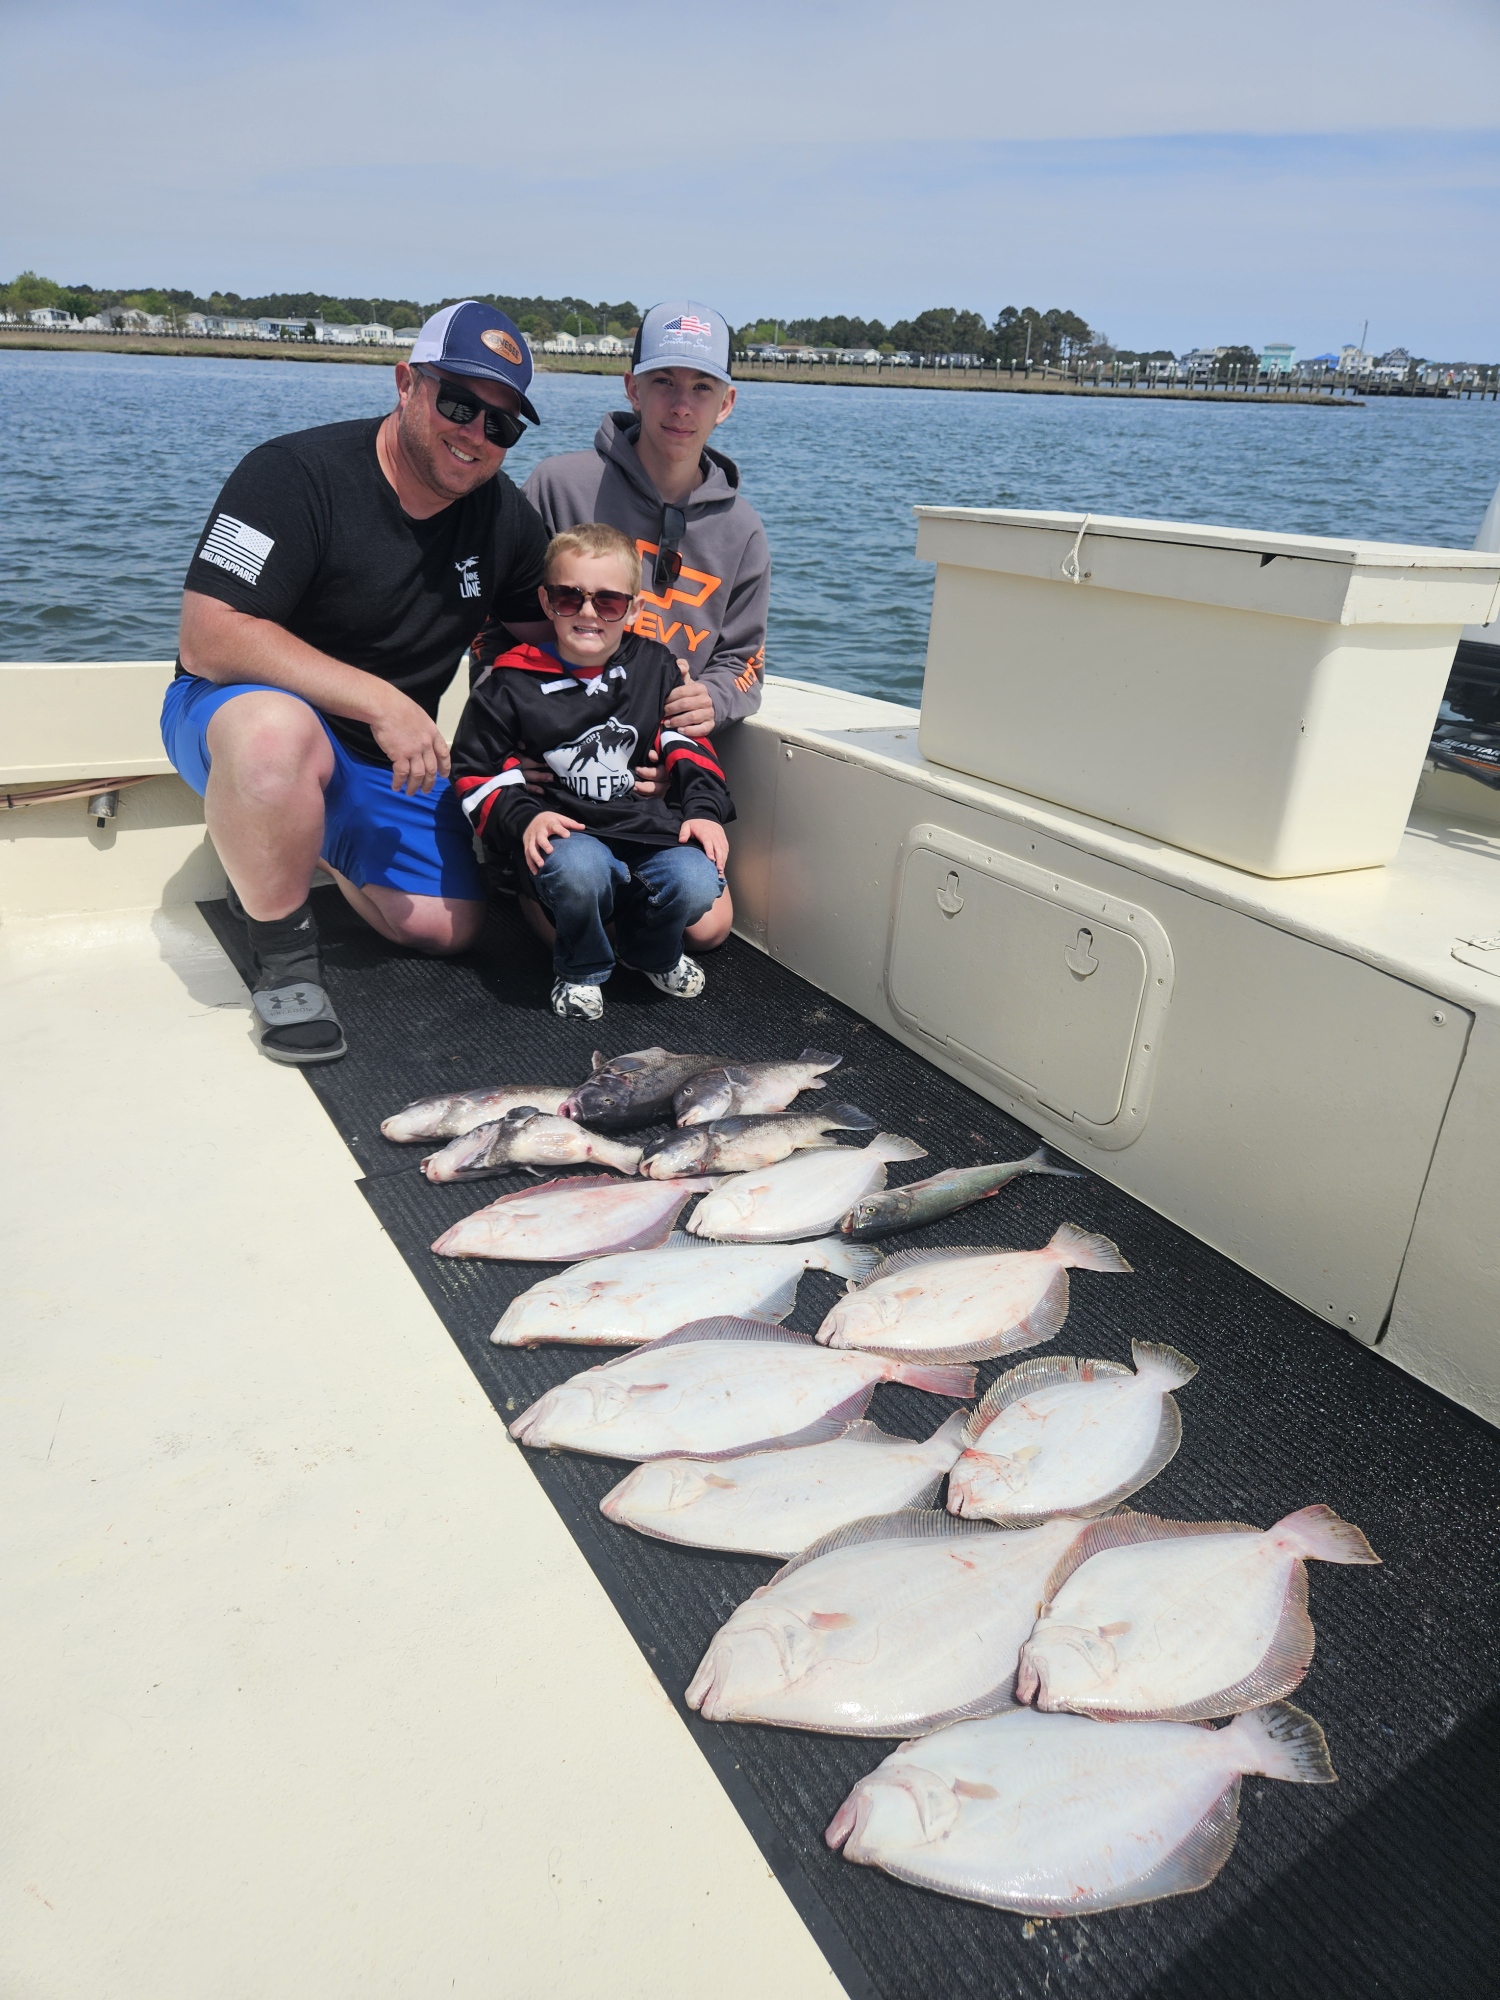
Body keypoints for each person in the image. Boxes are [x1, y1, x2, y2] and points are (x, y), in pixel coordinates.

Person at [161, 301, 555, 1064]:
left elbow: (554, 640)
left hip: (378, 755)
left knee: (446, 927)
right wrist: (381, 700)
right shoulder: (292, 473)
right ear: (406, 382)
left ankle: (307, 832)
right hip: (232, 714)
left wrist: (654, 697)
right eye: (459, 403)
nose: (476, 434)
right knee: (278, 734)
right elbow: (207, 636)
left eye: (501, 425)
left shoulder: (503, 517)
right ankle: (282, 962)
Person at [482, 299, 767, 953]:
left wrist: (712, 700)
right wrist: (514, 751)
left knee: (710, 929)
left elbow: (745, 660)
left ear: (726, 403)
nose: (681, 405)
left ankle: (622, 894)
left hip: (658, 775)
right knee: (578, 912)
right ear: (632, 387)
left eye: (702, 387)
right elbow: (494, 628)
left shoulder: (743, 528)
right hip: (554, 762)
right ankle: (527, 868)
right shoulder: (558, 486)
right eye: (664, 381)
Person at [450, 523, 733, 1021]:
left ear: (635, 609)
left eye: (608, 602)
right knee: (578, 870)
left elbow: (686, 741)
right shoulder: (509, 683)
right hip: (569, 836)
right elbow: (474, 771)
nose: (587, 613)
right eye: (568, 598)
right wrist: (523, 818)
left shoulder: (658, 665)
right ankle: (581, 969)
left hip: (649, 833)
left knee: (696, 878)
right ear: (545, 601)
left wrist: (703, 811)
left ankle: (653, 953)